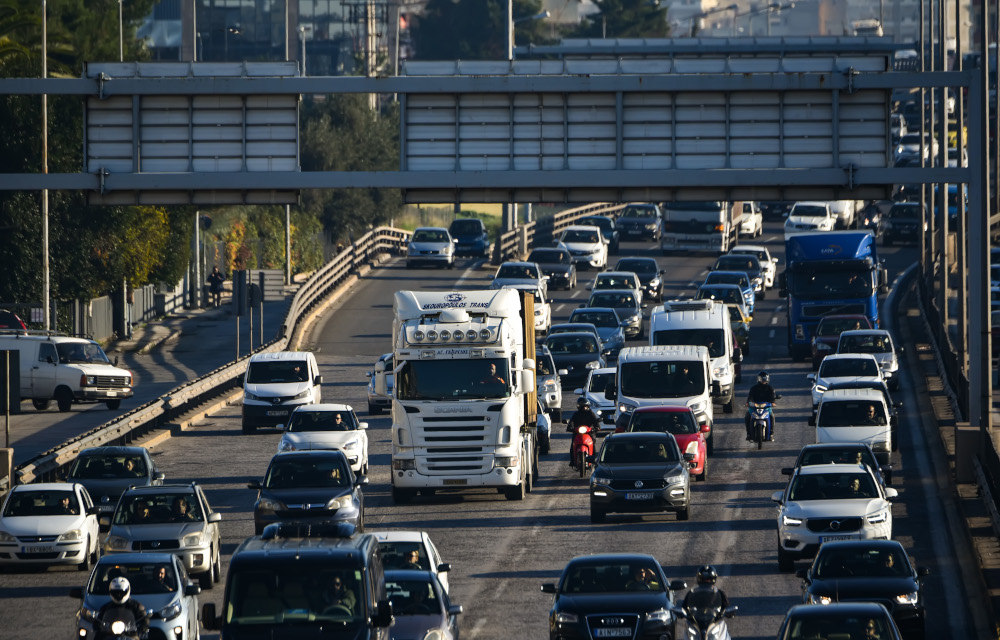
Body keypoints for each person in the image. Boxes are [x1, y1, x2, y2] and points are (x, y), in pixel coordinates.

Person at [566, 397, 601, 466]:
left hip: (589, 433)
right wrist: (570, 427)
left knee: (593, 445)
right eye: (583, 407)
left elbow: (595, 421)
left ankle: (594, 460)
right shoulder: (576, 414)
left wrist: (597, 427)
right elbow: (572, 421)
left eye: (586, 406)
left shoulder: (590, 413)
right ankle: (572, 460)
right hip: (577, 433)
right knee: (572, 446)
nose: (584, 408)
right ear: (579, 407)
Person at [746, 371, 778, 441]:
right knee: (747, 416)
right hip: (754, 407)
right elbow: (750, 397)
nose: (763, 380)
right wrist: (749, 402)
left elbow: (773, 397)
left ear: (767, 379)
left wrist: (773, 402)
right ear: (759, 379)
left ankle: (771, 434)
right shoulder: (754, 388)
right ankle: (748, 434)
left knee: (772, 416)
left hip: (766, 408)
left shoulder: (770, 388)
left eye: (765, 378)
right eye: (762, 378)